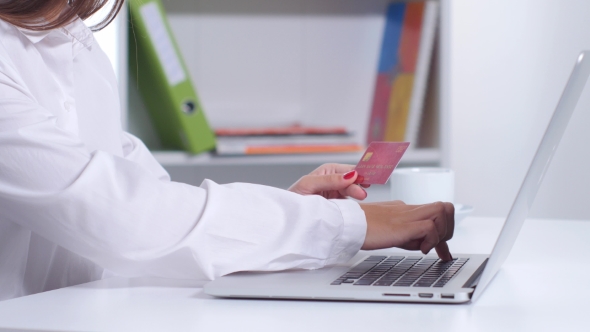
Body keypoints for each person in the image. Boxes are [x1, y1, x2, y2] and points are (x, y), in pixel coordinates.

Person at [0, 0, 454, 301]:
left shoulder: (72, 38)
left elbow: (158, 203)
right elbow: (124, 218)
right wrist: (341, 223)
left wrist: (288, 209)